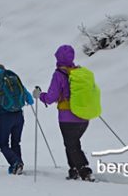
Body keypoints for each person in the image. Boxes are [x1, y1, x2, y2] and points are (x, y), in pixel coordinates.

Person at [34, 44, 93, 181]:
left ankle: (84, 170)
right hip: (84, 115)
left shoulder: (59, 74)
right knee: (72, 143)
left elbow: (51, 98)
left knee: (71, 144)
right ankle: (74, 170)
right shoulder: (79, 72)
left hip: (67, 116)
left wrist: (39, 95)